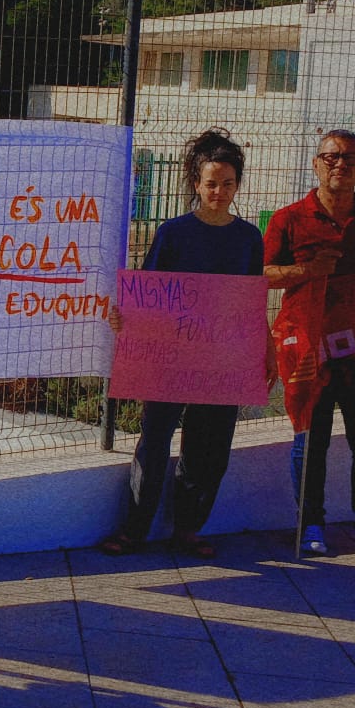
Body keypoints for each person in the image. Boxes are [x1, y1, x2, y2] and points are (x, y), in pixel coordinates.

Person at [99, 129, 264, 559]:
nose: (219, 192)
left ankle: (188, 529)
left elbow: (250, 303)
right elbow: (147, 295)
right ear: (196, 183)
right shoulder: (173, 233)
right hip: (170, 359)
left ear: (238, 185)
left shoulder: (249, 239)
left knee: (210, 446)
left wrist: (259, 352)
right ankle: (134, 530)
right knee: (154, 441)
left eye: (227, 183)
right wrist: (124, 318)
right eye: (211, 183)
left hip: (220, 361)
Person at [265, 129, 355, 565]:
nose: (339, 164)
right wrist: (306, 270)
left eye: (349, 158)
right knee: (310, 440)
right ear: (316, 164)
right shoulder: (288, 218)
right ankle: (310, 525)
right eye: (330, 157)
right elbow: (261, 274)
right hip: (309, 351)